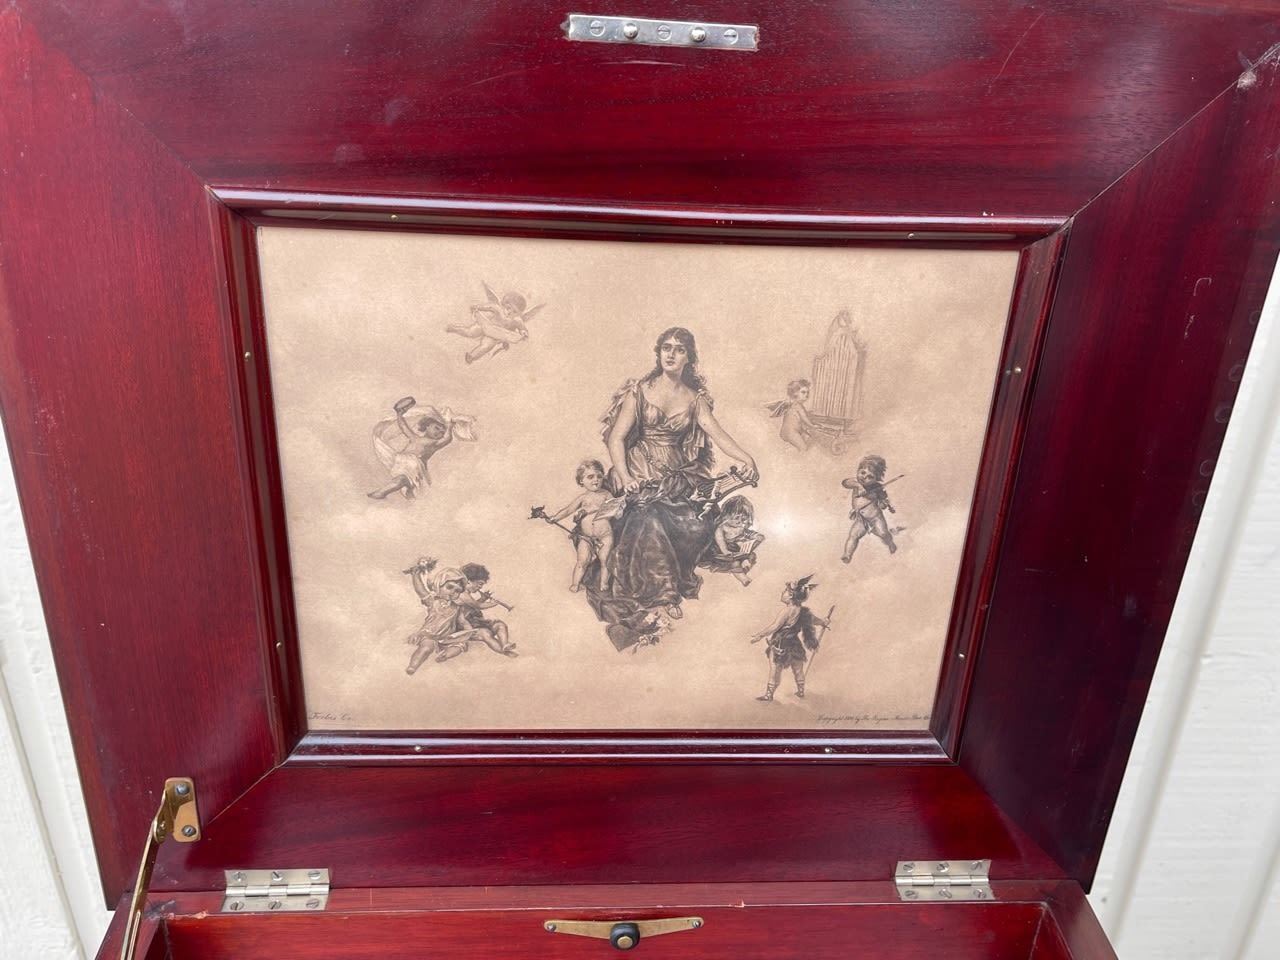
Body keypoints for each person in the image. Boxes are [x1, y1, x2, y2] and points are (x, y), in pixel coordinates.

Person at [592, 327, 759, 647]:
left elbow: (718, 434)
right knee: (649, 519)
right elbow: (616, 438)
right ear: (658, 353)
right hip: (639, 472)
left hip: (678, 475)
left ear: (688, 357)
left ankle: (674, 583)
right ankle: (662, 594)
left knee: (696, 524)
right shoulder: (639, 392)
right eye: (666, 347)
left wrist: (746, 458)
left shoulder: (695, 399)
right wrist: (625, 477)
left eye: (679, 349)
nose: (671, 354)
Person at [368, 397, 476, 500]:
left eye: (442, 432)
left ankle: (381, 493)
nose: (439, 432)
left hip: (414, 465)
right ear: (427, 425)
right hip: (401, 461)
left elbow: (447, 438)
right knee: (406, 486)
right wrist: (400, 415)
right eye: (437, 428)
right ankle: (410, 501)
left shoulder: (434, 443)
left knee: (401, 480)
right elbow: (404, 427)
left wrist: (449, 426)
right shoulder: (415, 437)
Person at [750, 576, 829, 701]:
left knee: (775, 670)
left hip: (781, 644)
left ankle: (769, 695)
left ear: (791, 595)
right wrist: (824, 621)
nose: (782, 593)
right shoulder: (803, 612)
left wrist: (759, 635)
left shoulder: (787, 611)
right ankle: (801, 691)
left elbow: (774, 627)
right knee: (798, 669)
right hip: (795, 644)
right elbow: (816, 621)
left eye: (785, 591)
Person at [545, 460, 615, 592]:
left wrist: (595, 509)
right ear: (581, 481)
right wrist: (555, 518)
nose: (596, 480)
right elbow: (568, 510)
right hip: (586, 537)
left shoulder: (606, 494)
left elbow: (613, 509)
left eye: (599, 476)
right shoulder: (583, 498)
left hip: (605, 535)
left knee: (605, 560)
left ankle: (604, 584)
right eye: (590, 477)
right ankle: (575, 584)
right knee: (582, 561)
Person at [841, 454, 897, 561]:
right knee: (853, 535)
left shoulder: (877, 488)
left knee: (883, 533)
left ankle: (890, 543)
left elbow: (883, 503)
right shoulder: (856, 483)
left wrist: (886, 505)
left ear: (876, 479)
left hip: (875, 518)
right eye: (862, 472)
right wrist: (859, 487)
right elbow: (845, 483)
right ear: (858, 470)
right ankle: (847, 555)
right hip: (861, 520)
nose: (864, 477)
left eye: (870, 477)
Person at [700, 494, 765, 586]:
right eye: (736, 518)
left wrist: (757, 537)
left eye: (743, 519)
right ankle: (744, 579)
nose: (740, 521)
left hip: (739, 552)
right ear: (727, 516)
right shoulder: (721, 528)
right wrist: (726, 552)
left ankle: (744, 565)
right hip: (723, 553)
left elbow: (749, 534)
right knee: (735, 563)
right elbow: (721, 543)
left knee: (751, 556)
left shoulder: (740, 528)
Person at [456, 563, 518, 656]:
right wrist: (493, 603)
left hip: (474, 622)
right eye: (479, 584)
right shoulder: (462, 594)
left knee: (500, 625)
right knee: (486, 633)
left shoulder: (467, 595)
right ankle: (506, 652)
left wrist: (483, 598)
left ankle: (505, 644)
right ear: (468, 581)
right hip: (463, 626)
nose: (480, 587)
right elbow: (478, 606)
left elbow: (471, 606)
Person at [764, 379, 819, 451]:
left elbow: (798, 418)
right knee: (803, 448)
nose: (806, 395)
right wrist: (813, 426)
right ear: (795, 393)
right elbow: (804, 418)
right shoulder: (798, 406)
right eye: (803, 392)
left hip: (790, 431)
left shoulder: (792, 403)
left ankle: (793, 451)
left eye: (807, 392)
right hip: (790, 432)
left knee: (809, 438)